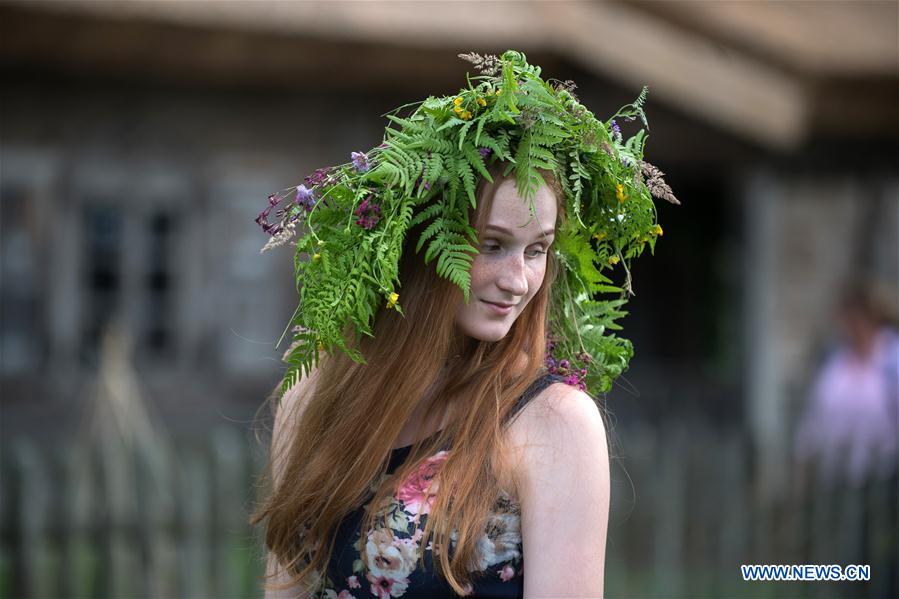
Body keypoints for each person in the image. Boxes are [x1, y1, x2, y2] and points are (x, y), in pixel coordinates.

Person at [250, 50, 678, 598]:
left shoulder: (553, 426)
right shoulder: (312, 402)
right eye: (493, 245)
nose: (519, 280)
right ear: (422, 248)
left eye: (537, 249)